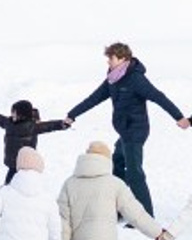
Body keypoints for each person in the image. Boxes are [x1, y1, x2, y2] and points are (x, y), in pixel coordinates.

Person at [63, 42, 190, 216]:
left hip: (136, 130)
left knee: (134, 173)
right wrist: (72, 114)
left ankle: (145, 215)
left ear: (123, 58)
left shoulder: (135, 79)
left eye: (111, 58)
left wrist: (179, 117)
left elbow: (158, 97)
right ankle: (120, 208)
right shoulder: (113, 78)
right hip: (124, 131)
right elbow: (94, 98)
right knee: (117, 164)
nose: (108, 62)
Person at [0, 99, 71, 182]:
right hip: (12, 163)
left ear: (22, 115)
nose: (12, 115)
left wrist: (61, 124)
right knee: (9, 184)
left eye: (14, 113)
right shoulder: (8, 123)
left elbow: (49, 126)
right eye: (12, 112)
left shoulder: (32, 127)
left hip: (25, 165)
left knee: (18, 185)